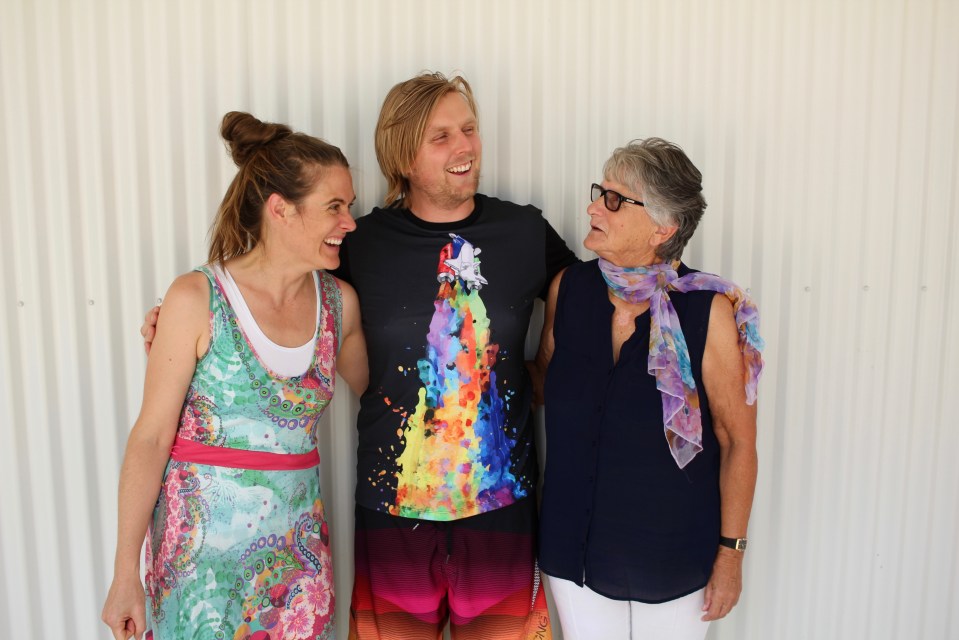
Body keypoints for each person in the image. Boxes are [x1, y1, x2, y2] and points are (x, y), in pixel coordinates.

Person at [140, 73, 577, 639]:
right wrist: (182, 322)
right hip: (392, 509)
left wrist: (548, 367)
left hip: (503, 507)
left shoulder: (523, 230)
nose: (465, 146)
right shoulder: (359, 243)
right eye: (441, 136)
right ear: (402, 156)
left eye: (469, 129)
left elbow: (584, 295)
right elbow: (280, 285)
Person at [102, 112, 367, 640]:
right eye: (334, 207)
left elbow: (385, 399)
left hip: (298, 571)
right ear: (280, 209)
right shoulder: (196, 298)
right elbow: (151, 437)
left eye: (350, 207)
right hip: (200, 571)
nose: (350, 223)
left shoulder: (340, 305)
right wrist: (124, 573)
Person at [534, 139, 763, 640]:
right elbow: (543, 383)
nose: (594, 208)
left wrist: (731, 554)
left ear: (664, 228)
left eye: (615, 199)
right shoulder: (569, 290)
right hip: (574, 549)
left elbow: (737, 441)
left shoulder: (707, 311)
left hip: (673, 555)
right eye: (599, 192)